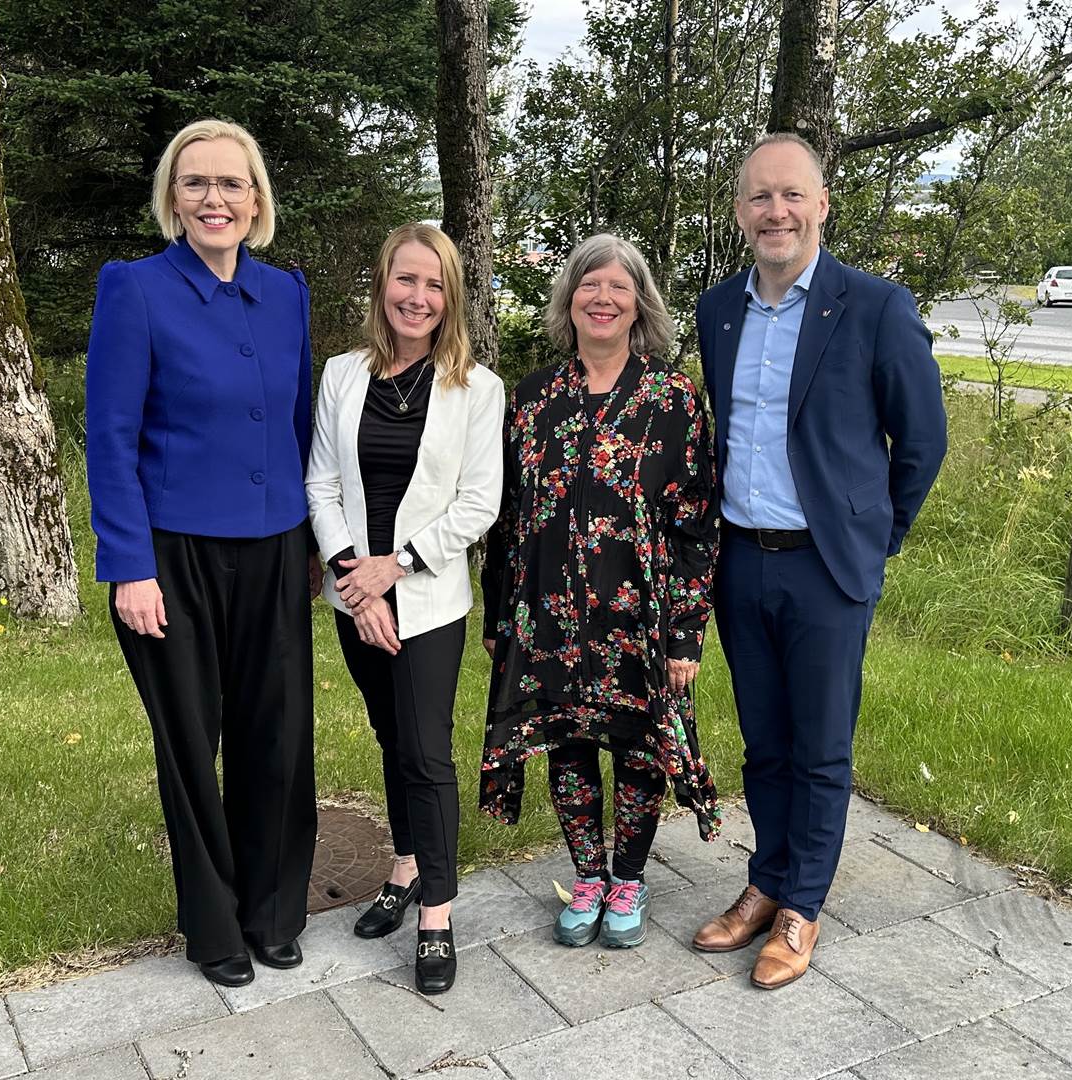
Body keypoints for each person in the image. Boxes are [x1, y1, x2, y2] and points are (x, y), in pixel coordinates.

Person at [689, 133, 948, 989]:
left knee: (821, 746)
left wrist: (876, 538)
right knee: (764, 741)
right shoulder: (719, 309)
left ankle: (802, 906)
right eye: (760, 197)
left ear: (822, 203)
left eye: (792, 195)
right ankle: (766, 880)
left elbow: (921, 440)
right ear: (739, 212)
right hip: (741, 560)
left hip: (826, 569)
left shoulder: (873, 306)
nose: (776, 212)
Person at [85, 119, 319, 989]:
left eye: (232, 184)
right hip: (172, 557)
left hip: (273, 547)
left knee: (277, 735)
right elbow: (108, 437)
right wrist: (128, 565)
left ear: (256, 200)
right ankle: (214, 927)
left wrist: (304, 544)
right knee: (191, 741)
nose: (214, 199)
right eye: (196, 184)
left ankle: (272, 912)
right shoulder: (136, 289)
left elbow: (297, 426)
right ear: (172, 198)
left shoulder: (285, 292)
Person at [480, 233, 720, 951]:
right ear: (570, 301)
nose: (603, 299)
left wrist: (684, 634)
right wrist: (500, 616)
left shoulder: (672, 400)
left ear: (639, 302)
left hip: (638, 619)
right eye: (590, 286)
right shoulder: (532, 399)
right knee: (568, 742)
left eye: (618, 287)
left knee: (640, 747)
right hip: (548, 618)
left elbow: (697, 526)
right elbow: (507, 518)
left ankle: (631, 879)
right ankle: (588, 876)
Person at [304, 223, 503, 994]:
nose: (417, 297)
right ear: (382, 284)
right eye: (405, 280)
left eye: (434, 285)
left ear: (450, 297)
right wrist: (355, 579)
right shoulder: (343, 374)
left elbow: (478, 503)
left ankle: (437, 914)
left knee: (425, 753)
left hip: (426, 602)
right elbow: (321, 482)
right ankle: (407, 864)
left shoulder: (476, 389)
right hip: (356, 597)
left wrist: (397, 569)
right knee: (391, 740)